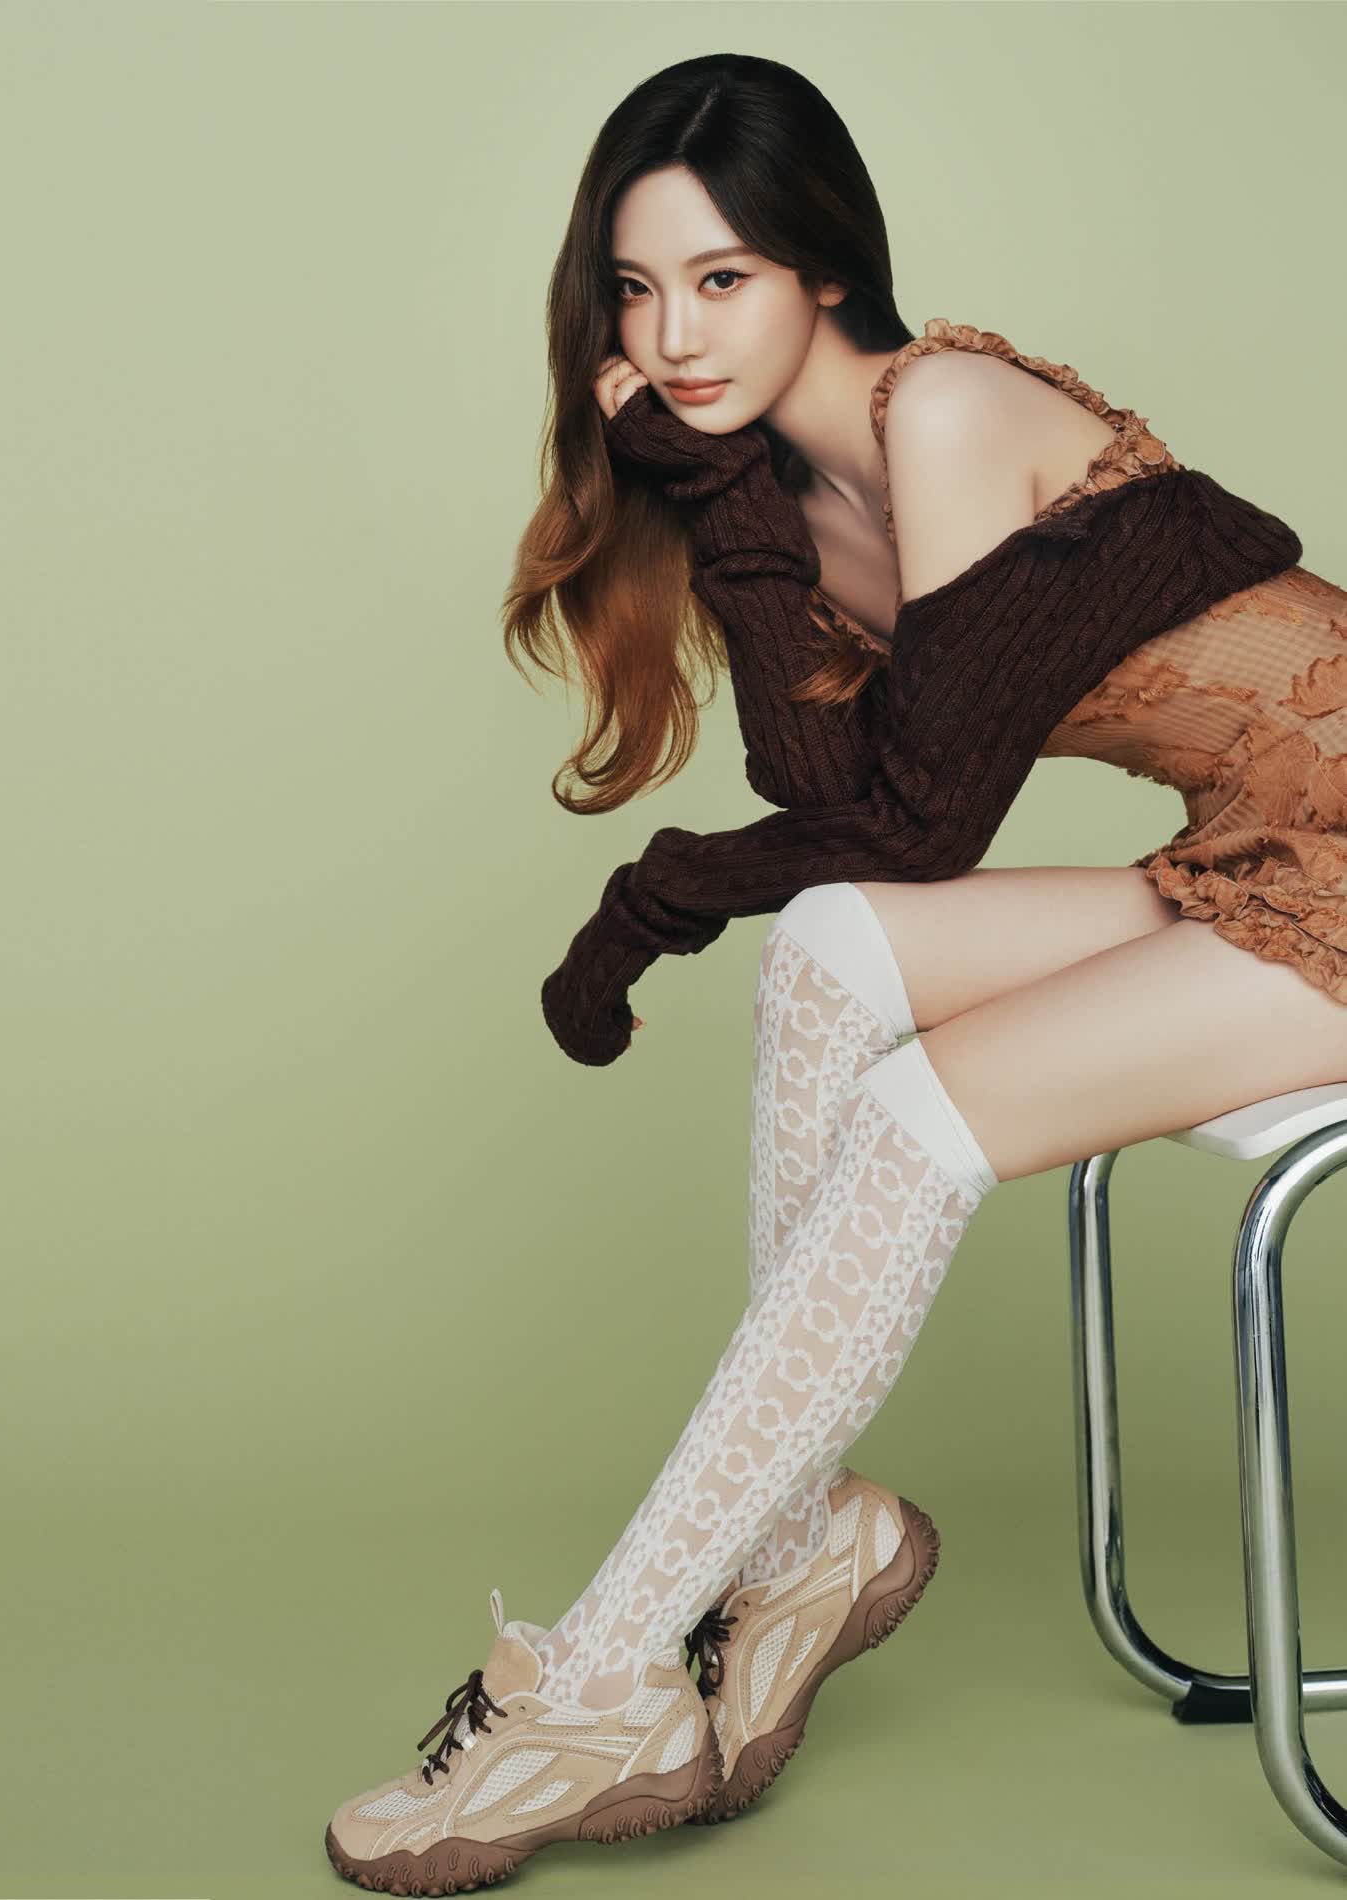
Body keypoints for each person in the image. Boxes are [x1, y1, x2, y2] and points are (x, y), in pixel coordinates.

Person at [324, 50, 1345, 1895]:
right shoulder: (779, 488)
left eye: (722, 278)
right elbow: (836, 805)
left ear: (822, 268)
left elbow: (925, 821)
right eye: (636, 290)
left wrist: (654, 898)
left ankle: (605, 1675)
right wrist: (729, 506)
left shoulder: (945, 410)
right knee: (828, 949)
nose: (674, 335)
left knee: (915, 1116)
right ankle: (802, 1544)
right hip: (1264, 853)